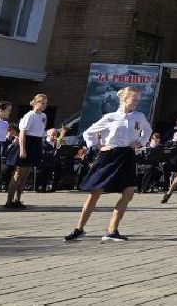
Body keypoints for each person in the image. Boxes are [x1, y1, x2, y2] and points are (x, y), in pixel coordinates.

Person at [64, 86, 151, 242]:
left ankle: (112, 231)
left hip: (127, 155)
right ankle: (79, 229)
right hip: (109, 156)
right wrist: (98, 146)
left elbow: (148, 131)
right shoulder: (110, 117)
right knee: (95, 193)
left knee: (128, 192)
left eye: (138, 99)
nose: (136, 102)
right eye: (133, 99)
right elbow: (88, 132)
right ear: (124, 99)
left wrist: (140, 142)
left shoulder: (139, 116)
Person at [7, 93, 48, 209]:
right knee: (18, 174)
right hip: (27, 143)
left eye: (45, 103)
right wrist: (22, 150)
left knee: (26, 175)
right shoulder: (29, 115)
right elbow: (22, 133)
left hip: (36, 144)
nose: (44, 105)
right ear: (35, 103)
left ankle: (18, 199)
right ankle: (9, 201)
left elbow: (41, 131)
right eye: (42, 103)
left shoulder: (44, 116)